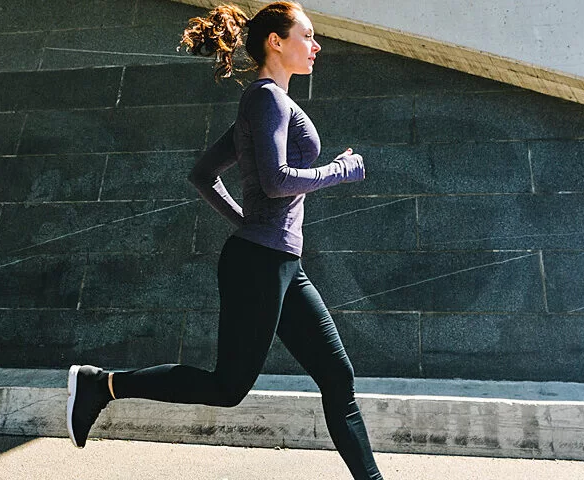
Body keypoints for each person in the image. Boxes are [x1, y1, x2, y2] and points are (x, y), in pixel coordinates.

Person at [66, 2, 381, 478]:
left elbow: (203, 173)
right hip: (260, 262)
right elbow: (276, 181)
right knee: (227, 387)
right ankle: (101, 385)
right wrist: (342, 169)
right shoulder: (268, 99)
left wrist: (249, 223)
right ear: (276, 41)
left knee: (338, 378)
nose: (316, 47)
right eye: (307, 36)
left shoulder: (265, 102)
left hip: (279, 263)